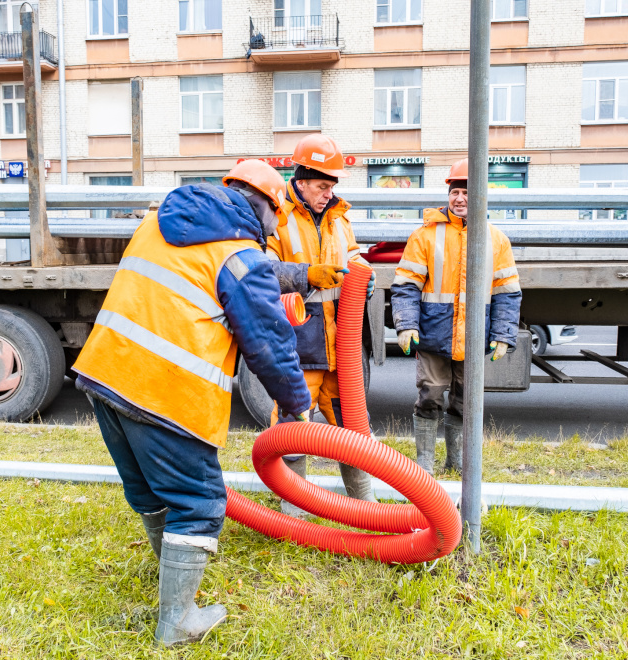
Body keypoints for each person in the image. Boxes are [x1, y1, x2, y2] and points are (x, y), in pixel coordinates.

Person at [72, 160, 312, 647]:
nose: (273, 232)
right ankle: (177, 620)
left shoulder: (159, 222)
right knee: (198, 502)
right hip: (167, 396)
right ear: (267, 207)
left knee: (150, 493)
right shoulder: (241, 255)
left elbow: (211, 271)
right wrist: (296, 405)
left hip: (106, 375)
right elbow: (268, 342)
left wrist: (302, 276)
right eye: (276, 220)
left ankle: (170, 591)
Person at [264, 134, 377, 509]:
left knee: (353, 429)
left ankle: (366, 508)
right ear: (300, 180)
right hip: (299, 344)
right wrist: (306, 275)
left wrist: (365, 274)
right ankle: (293, 514)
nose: (328, 193)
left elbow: (353, 257)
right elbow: (261, 271)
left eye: (332, 186)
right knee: (294, 430)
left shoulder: (339, 218)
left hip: (340, 348)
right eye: (321, 186)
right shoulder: (277, 218)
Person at [390, 158, 522, 474]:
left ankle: (456, 461)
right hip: (433, 334)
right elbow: (406, 285)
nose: (460, 198)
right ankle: (425, 463)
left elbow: (507, 292)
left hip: (474, 337)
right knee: (430, 396)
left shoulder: (497, 240)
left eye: (466, 192)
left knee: (466, 400)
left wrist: (503, 333)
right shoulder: (425, 236)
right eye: (455, 192)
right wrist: (406, 324)